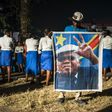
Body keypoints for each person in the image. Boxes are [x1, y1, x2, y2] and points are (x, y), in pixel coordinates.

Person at [57, 11, 94, 104]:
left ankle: (78, 97)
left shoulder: (84, 31)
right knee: (64, 74)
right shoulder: (67, 28)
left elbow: (88, 43)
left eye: (77, 22)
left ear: (80, 22)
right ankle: (61, 95)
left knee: (79, 75)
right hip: (67, 55)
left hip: (79, 57)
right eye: (74, 21)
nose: (75, 23)